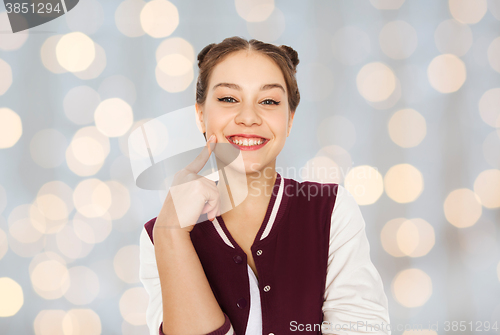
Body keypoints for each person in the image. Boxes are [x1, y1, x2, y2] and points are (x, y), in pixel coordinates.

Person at [139, 36, 391, 335]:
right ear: (201, 115)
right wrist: (172, 234)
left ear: (290, 119)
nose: (248, 117)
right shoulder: (159, 234)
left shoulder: (331, 210)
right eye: (229, 99)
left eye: (269, 101)